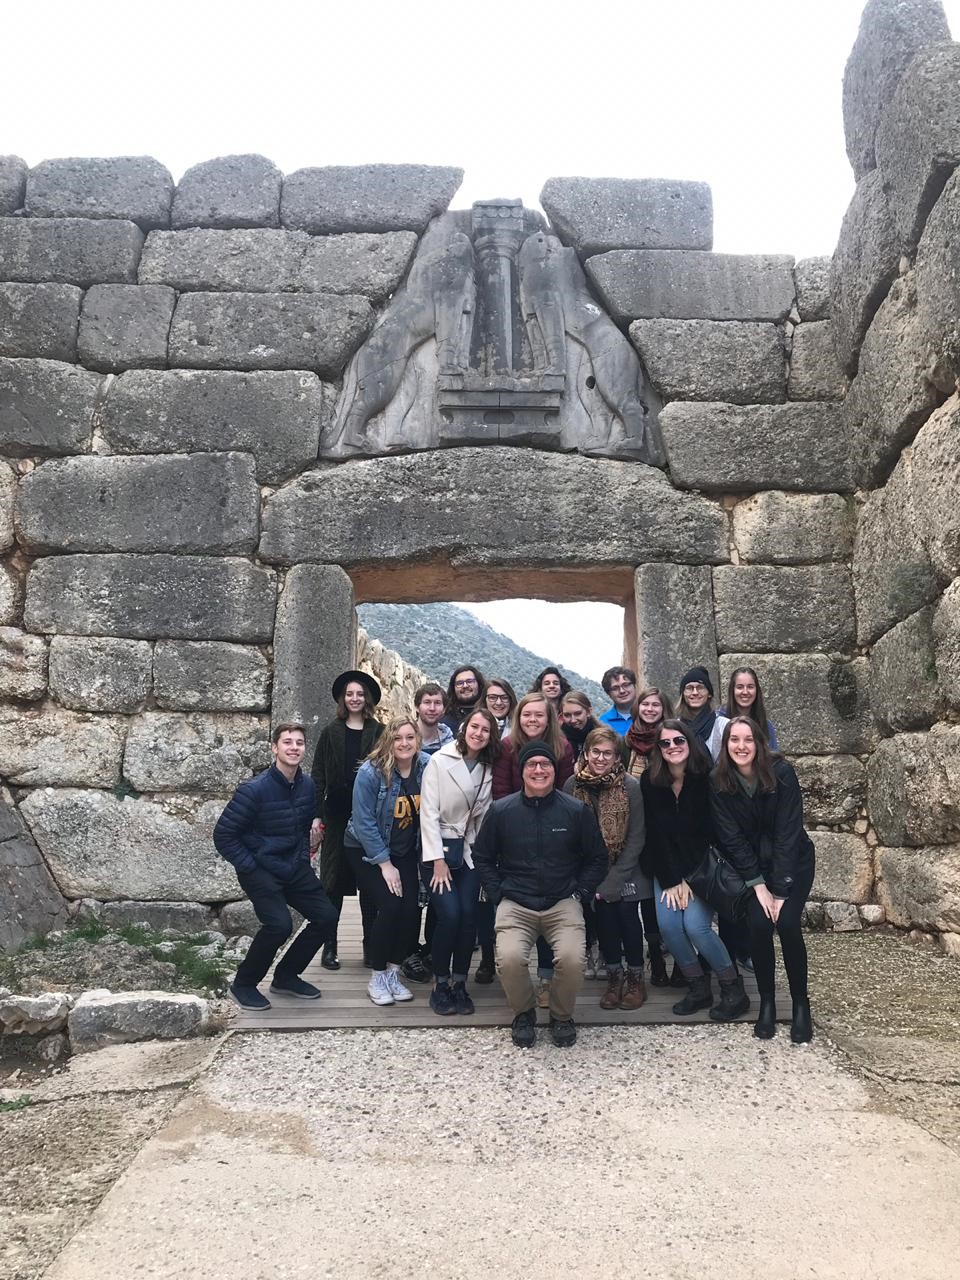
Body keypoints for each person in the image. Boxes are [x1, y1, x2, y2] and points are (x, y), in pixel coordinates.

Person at [473, 739, 608, 1048]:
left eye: (545, 764)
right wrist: (497, 892)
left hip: (562, 901)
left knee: (573, 959)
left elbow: (598, 857)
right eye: (531, 764)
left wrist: (581, 892)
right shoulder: (502, 811)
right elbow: (482, 856)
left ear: (553, 770)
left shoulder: (575, 811)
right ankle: (523, 1013)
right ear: (521, 771)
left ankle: (561, 1016)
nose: (538, 770)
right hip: (516, 901)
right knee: (508, 958)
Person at [214, 723, 337, 1010]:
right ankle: (243, 984)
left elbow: (301, 827)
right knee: (279, 925)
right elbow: (223, 835)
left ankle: (286, 976)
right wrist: (250, 866)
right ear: (274, 748)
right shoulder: (253, 790)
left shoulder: (307, 786)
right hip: (260, 869)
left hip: (294, 866)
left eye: (299, 743)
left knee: (327, 917)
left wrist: (305, 853)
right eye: (287, 742)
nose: (294, 747)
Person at [710, 716, 816, 1043]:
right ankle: (767, 1001)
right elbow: (731, 839)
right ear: (726, 746)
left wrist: (781, 890)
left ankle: (801, 1003)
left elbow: (788, 833)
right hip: (753, 868)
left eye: (748, 740)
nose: (741, 746)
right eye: (734, 740)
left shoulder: (782, 774)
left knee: (786, 924)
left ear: (758, 743)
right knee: (757, 925)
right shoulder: (719, 782)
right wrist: (758, 885)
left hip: (792, 863)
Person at [640, 719, 750, 1022]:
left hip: (702, 869)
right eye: (665, 743)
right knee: (670, 927)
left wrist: (688, 878)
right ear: (658, 749)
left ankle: (733, 988)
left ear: (689, 742)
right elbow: (655, 834)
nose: (673, 747)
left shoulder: (708, 778)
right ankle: (698, 987)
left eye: (678, 741)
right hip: (666, 869)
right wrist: (673, 879)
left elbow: (713, 833)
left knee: (697, 927)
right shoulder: (651, 782)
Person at [345, 717, 430, 1007]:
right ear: (388, 741)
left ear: (418, 740)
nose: (404, 743)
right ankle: (377, 976)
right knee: (390, 905)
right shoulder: (370, 773)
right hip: (366, 849)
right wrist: (384, 864)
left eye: (409, 737)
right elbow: (364, 821)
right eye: (397, 738)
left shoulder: (426, 767)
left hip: (404, 849)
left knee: (410, 909)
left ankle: (394, 973)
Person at [421, 708, 500, 1016]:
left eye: (485, 730)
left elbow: (484, 815)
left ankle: (459, 982)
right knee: (450, 915)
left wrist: (483, 856)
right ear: (464, 728)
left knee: (468, 918)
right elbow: (427, 812)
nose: (478, 733)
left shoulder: (487, 767)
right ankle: (439, 983)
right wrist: (437, 860)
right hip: (438, 849)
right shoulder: (439, 761)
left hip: (468, 851)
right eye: (474, 727)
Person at [563, 727, 648, 1011]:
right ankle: (614, 976)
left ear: (616, 756)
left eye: (607, 753)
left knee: (625, 912)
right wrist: (589, 878)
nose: (601, 758)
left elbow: (636, 837)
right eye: (595, 752)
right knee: (604, 916)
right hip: (589, 868)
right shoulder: (572, 785)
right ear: (586, 754)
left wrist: (613, 879)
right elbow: (569, 836)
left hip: (627, 865)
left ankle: (635, 977)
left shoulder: (630, 786)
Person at [310, 670, 384, 971]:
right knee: (332, 883)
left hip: (369, 816)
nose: (355, 698)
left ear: (366, 699)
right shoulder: (330, 732)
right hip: (338, 815)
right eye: (350, 694)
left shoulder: (378, 732)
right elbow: (318, 776)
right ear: (343, 698)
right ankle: (330, 947)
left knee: (369, 885)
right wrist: (315, 814)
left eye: (360, 694)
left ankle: (370, 946)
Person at [624, 685, 676, 987]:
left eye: (656, 705)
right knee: (639, 894)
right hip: (631, 822)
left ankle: (673, 956)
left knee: (659, 893)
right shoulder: (625, 742)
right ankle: (652, 955)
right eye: (646, 704)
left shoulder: (671, 739)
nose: (650, 709)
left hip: (659, 822)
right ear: (638, 708)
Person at [492, 691, 575, 799]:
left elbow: (564, 790)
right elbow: (501, 790)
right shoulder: (507, 746)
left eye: (539, 715)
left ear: (548, 720)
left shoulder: (563, 747)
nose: (532, 720)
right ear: (519, 718)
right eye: (526, 715)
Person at [707, 667, 779, 761]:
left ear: (756, 690)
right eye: (740, 687)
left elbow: (774, 760)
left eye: (750, 687)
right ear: (732, 690)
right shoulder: (718, 722)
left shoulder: (766, 725)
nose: (745, 692)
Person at [676, 666, 717, 747]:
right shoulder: (676, 727)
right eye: (689, 688)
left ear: (709, 694)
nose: (695, 692)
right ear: (683, 694)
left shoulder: (722, 725)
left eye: (700, 687)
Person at [441, 665, 486, 734]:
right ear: (453, 688)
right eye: (460, 683)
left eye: (470, 681)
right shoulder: (444, 721)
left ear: (479, 684)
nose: (465, 686)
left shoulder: (489, 715)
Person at [559, 690, 601, 763]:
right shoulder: (557, 740)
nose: (573, 720)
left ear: (588, 712)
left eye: (578, 713)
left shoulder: (603, 737)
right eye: (567, 715)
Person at [415, 681, 455, 756]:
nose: (432, 708)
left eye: (437, 703)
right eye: (427, 702)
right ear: (417, 707)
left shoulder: (449, 743)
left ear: (444, 709)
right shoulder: (403, 738)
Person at [598, 666, 637, 736]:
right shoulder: (603, 722)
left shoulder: (648, 714)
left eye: (626, 685)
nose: (622, 691)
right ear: (609, 694)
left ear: (635, 686)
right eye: (615, 688)